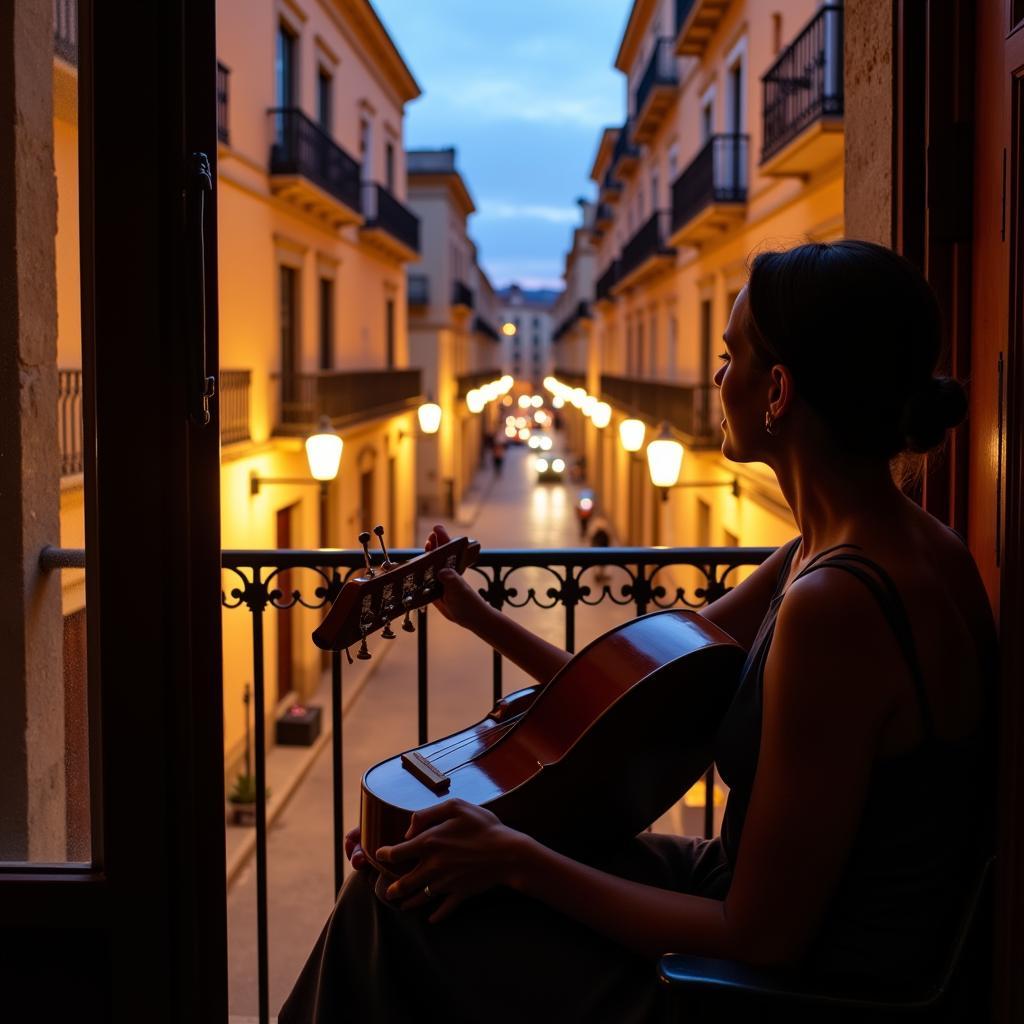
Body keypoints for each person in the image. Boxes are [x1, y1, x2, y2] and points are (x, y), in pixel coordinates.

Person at [280, 241, 996, 1023]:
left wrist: (512, 857)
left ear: (778, 391)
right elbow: (632, 693)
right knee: (412, 872)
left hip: (799, 989)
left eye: (729, 357)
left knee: (395, 911)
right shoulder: (863, 544)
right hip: (764, 913)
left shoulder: (838, 603)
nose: (717, 378)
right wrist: (480, 616)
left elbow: (758, 936)